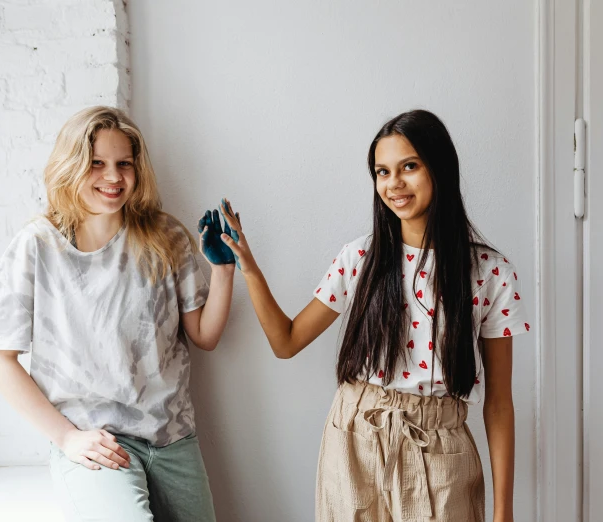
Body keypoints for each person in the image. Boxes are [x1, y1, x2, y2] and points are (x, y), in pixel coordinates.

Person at [218, 109, 529, 521]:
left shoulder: (491, 272)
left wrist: (503, 511)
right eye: (382, 172)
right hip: (354, 439)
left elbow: (500, 403)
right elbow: (286, 342)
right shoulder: (360, 258)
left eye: (409, 166)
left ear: (440, 168)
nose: (394, 183)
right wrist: (249, 266)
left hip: (440, 448)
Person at [0, 106, 234, 522]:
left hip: (173, 440)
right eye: (96, 163)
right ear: (72, 166)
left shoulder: (166, 237)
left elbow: (204, 335)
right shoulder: (37, 247)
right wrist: (66, 438)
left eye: (124, 164)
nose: (113, 177)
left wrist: (224, 271)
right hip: (96, 442)